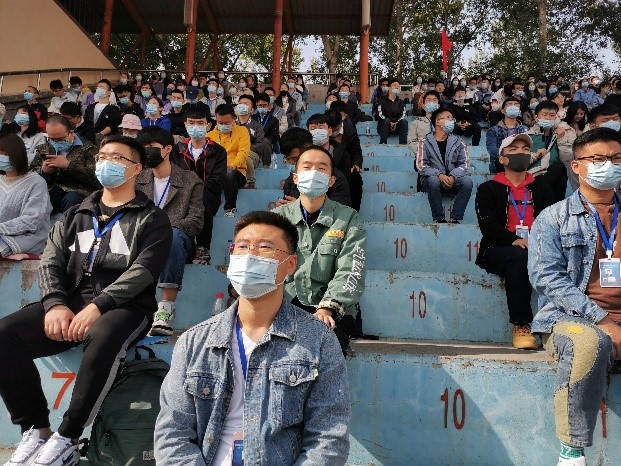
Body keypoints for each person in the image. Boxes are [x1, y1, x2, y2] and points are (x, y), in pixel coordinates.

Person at [0, 135, 172, 466]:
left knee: (104, 335)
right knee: (5, 333)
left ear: (136, 169)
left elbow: (143, 272)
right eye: (102, 157)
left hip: (126, 307)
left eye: (117, 158)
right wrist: (55, 303)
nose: (106, 163)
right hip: (70, 302)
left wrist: (98, 306)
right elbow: (50, 261)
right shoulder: (76, 213)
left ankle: (67, 437)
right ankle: (35, 429)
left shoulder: (152, 219)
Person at [155, 209, 350, 464]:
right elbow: (172, 434)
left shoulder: (318, 340)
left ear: (290, 264)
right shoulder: (193, 342)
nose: (250, 255)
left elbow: (329, 438)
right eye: (242, 246)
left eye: (265, 247)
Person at [527, 128, 621, 466]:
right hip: (571, 318)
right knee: (590, 342)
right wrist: (603, 320)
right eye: (598, 159)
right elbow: (546, 278)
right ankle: (571, 452)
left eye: (616, 158)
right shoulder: (553, 218)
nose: (608, 165)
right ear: (577, 166)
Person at [273, 146, 366, 354]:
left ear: (331, 181)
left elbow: (352, 269)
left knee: (324, 347)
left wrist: (326, 309)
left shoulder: (348, 218)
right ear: (295, 178)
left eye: (322, 168)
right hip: (286, 303)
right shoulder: (277, 218)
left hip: (333, 310)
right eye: (307, 167)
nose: (314, 173)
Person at [475, 134, 554, 349]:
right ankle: (521, 325)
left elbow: (550, 223)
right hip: (499, 248)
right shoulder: (488, 189)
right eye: (513, 149)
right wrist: (515, 240)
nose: (521, 153)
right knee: (520, 257)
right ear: (502, 159)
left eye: (525, 149)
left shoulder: (542, 188)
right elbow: (488, 226)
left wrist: (535, 243)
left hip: (538, 248)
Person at [136, 127, 204, 336]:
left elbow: (195, 221)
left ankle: (166, 308)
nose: (147, 151)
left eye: (152, 147)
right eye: (143, 147)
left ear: (167, 149)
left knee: (173, 236)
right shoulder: (136, 178)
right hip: (142, 239)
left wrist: (164, 229)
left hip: (177, 240)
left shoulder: (190, 180)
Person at [174, 107, 227, 264]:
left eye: (200, 123)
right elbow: (174, 175)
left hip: (208, 195)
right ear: (185, 124)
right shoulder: (178, 150)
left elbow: (217, 180)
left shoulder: (218, 151)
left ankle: (203, 247)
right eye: (191, 123)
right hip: (182, 194)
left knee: (201, 198)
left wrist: (195, 190)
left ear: (208, 126)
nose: (195, 126)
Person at [32, 115, 100, 213]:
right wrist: (44, 172)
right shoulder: (44, 149)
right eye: (52, 139)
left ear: (71, 133)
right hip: (52, 190)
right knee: (39, 200)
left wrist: (69, 166)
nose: (56, 143)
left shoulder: (89, 149)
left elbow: (96, 180)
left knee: (72, 200)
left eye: (60, 139)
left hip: (79, 191)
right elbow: (30, 175)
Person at [416, 108, 472, 223]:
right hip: (432, 182)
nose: (451, 120)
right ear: (438, 122)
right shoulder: (425, 141)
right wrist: (439, 175)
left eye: (452, 118)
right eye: (448, 117)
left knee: (467, 182)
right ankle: (439, 218)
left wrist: (452, 176)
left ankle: (455, 218)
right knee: (433, 181)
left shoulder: (458, 141)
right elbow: (421, 165)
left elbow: (465, 164)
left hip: (452, 180)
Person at [0, 134, 52, 260]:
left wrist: (2, 228)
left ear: (17, 155)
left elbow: (32, 220)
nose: (2, 158)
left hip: (27, 237)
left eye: (5, 154)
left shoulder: (36, 182)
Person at [276, 127, 351, 208]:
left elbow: (341, 212)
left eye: (295, 159)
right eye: (287, 160)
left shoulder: (335, 179)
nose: (292, 164)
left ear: (309, 150)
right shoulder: (291, 181)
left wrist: (302, 208)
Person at [207, 104, 250, 217]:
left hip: (237, 173)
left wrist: (232, 165)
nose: (223, 125)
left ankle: (230, 209)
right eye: (220, 122)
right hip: (217, 175)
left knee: (229, 173)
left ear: (234, 119)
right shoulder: (209, 135)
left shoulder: (242, 131)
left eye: (226, 123)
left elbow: (243, 152)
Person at [527, 101, 573, 202]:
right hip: (533, 175)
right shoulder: (527, 136)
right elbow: (521, 161)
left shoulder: (558, 135)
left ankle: (549, 205)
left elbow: (566, 160)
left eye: (552, 115)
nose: (548, 118)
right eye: (544, 114)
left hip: (553, 175)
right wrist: (535, 155)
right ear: (536, 117)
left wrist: (561, 139)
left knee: (561, 177)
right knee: (559, 168)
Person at [486, 97, 530, 173]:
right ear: (502, 110)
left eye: (516, 104)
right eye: (509, 104)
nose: (513, 106)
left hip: (521, 161)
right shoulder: (494, 130)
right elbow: (492, 149)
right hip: (501, 163)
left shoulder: (525, 129)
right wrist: (510, 156)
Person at [306, 113, 352, 184]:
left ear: (329, 131)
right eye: (313, 129)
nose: (317, 132)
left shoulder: (343, 154)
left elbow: (345, 181)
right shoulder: (303, 155)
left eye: (321, 128)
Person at [235, 96, 266, 188]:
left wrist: (244, 149)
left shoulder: (257, 126)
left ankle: (250, 183)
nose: (242, 106)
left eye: (246, 104)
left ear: (252, 110)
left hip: (252, 154)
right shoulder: (231, 124)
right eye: (240, 103)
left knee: (245, 155)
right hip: (233, 152)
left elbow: (260, 144)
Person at [84, 80, 122, 144]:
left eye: (102, 87)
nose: (99, 89)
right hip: (90, 138)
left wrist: (99, 134)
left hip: (106, 139)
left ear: (109, 93)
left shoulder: (114, 108)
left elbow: (112, 124)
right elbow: (86, 121)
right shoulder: (90, 107)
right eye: (98, 87)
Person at [378, 79, 408, 144]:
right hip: (385, 126)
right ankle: (383, 143)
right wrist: (390, 122)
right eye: (394, 85)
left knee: (404, 121)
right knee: (386, 121)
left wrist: (396, 122)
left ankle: (403, 144)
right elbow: (380, 114)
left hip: (397, 126)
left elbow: (403, 115)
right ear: (389, 88)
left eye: (398, 86)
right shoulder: (381, 101)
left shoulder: (401, 102)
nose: (396, 87)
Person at [253, 92, 281, 158]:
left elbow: (274, 136)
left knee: (265, 141)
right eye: (260, 105)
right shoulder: (252, 118)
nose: (262, 107)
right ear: (256, 105)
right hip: (254, 144)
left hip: (267, 144)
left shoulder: (274, 120)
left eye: (265, 105)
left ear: (268, 105)